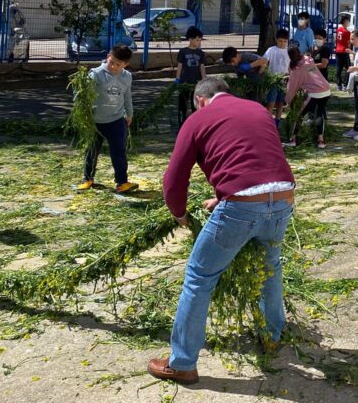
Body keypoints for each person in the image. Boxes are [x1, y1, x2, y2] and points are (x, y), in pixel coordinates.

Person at [149, 77, 295, 385]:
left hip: (242, 207)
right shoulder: (258, 109)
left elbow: (174, 179)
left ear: (200, 100)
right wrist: (223, 196)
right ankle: (272, 334)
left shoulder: (198, 119)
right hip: (283, 197)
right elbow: (256, 159)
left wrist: (179, 214)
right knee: (269, 268)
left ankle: (182, 363)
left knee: (199, 278)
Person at [78, 44, 138, 193]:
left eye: (118, 64)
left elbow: (127, 96)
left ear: (125, 64)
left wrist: (129, 113)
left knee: (119, 151)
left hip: (116, 119)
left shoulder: (127, 76)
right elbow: (83, 95)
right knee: (92, 150)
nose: (113, 66)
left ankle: (122, 182)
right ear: (108, 57)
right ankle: (87, 178)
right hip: (95, 120)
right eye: (111, 62)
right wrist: (84, 114)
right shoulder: (96, 74)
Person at [283, 47, 331, 148]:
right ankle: (321, 141)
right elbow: (310, 72)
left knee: (299, 115)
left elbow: (292, 87)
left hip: (315, 93)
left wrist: (287, 101)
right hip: (326, 89)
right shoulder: (308, 60)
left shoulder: (297, 69)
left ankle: (292, 139)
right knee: (319, 114)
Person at [175, 27, 207, 125]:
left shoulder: (200, 53)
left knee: (195, 103)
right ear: (190, 39)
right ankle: (182, 120)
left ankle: (195, 122)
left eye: (200, 40)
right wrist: (177, 78)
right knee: (183, 102)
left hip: (196, 82)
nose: (199, 42)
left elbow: (202, 67)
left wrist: (204, 79)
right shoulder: (183, 51)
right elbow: (180, 66)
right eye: (197, 40)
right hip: (185, 82)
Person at [263, 29, 291, 127]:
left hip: (284, 80)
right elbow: (264, 61)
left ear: (287, 41)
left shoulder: (289, 51)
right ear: (276, 39)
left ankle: (277, 122)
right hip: (273, 80)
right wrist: (264, 72)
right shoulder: (271, 50)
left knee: (280, 103)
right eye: (280, 41)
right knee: (271, 103)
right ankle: (267, 123)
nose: (282, 43)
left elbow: (291, 66)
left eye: (284, 41)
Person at [334, 14, 352, 91]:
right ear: (345, 22)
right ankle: (345, 84)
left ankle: (339, 85)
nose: (348, 23)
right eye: (348, 21)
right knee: (348, 68)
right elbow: (349, 42)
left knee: (339, 69)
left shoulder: (339, 29)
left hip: (338, 50)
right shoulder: (347, 32)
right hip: (344, 51)